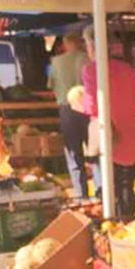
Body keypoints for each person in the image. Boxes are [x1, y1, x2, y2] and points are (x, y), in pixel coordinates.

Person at [81, 25, 135, 221]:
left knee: (111, 188)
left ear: (92, 46)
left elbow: (92, 107)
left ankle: (116, 225)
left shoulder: (91, 70)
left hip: (108, 134)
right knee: (128, 183)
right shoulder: (127, 69)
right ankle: (129, 222)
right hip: (131, 134)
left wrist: (78, 104)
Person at [49, 33, 90, 200]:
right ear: (80, 42)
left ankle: (81, 194)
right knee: (96, 152)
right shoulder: (87, 59)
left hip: (66, 108)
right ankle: (101, 189)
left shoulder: (55, 62)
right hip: (88, 107)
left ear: (65, 44)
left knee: (74, 154)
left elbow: (51, 85)